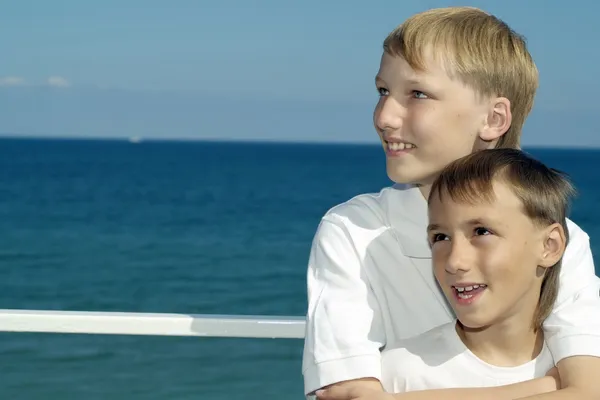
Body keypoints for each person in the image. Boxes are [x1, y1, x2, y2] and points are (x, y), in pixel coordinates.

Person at [304, 6, 600, 400]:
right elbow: (347, 393)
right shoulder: (354, 231)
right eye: (383, 91)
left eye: (418, 94)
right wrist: (549, 385)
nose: (384, 116)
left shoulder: (566, 241)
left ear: (494, 119)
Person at [380, 148, 573, 395]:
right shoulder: (398, 375)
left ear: (549, 246)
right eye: (440, 237)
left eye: (482, 232)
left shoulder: (582, 368)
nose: (454, 261)